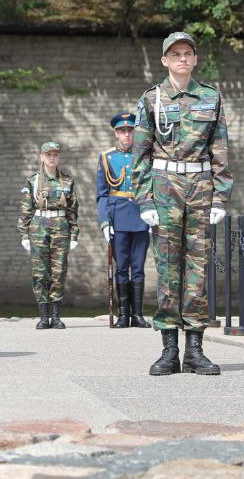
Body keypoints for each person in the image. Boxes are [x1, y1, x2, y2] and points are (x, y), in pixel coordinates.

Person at [132, 31, 229, 377]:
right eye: (175, 54)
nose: (182, 59)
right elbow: (139, 155)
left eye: (188, 53)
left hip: (200, 187)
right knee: (168, 268)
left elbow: (220, 150)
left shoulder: (211, 97)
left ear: (195, 59)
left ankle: (195, 350)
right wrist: (144, 200)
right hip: (165, 187)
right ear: (165, 61)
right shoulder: (151, 99)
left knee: (198, 271)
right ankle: (169, 350)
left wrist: (221, 196)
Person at [97, 112, 149, 328]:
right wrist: (105, 222)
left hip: (141, 216)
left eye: (129, 130)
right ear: (115, 133)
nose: (126, 134)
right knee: (121, 268)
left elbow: (152, 186)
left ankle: (137, 315)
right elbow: (102, 193)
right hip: (118, 217)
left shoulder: (145, 155)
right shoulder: (107, 158)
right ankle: (123, 315)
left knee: (138, 267)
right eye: (122, 131)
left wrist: (152, 214)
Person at [19, 141, 78, 329]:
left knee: (59, 272)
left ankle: (56, 316)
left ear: (59, 157)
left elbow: (73, 210)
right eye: (48, 154)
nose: (52, 158)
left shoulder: (67, 180)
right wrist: (24, 234)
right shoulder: (33, 180)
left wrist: (74, 234)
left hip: (61, 226)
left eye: (55, 154)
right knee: (40, 272)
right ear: (42, 157)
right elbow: (26, 209)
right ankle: (44, 316)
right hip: (39, 226)